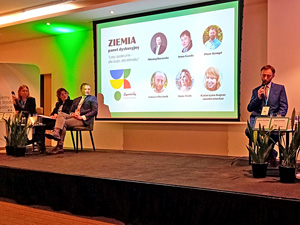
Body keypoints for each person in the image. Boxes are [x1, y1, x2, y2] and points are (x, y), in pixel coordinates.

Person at [246, 65, 288, 165]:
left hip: (272, 119)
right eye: (263, 75)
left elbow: (284, 106)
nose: (265, 78)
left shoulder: (280, 88)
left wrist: (278, 117)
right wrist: (258, 97)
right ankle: (270, 152)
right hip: (258, 119)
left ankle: (267, 153)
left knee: (274, 133)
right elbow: (249, 108)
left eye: (268, 76)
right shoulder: (256, 90)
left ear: (273, 75)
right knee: (249, 131)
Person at [45, 83, 98, 154]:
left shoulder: (93, 99)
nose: (87, 91)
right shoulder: (77, 99)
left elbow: (94, 111)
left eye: (88, 89)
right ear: (81, 90)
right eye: (85, 89)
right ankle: (57, 137)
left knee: (62, 124)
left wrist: (82, 116)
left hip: (83, 119)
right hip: (74, 117)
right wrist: (73, 114)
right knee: (61, 114)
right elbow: (71, 111)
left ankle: (59, 144)